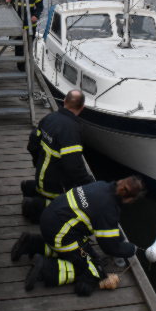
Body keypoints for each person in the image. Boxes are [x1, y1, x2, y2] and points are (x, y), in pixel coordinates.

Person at [11, 176, 146, 296]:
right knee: (95, 269)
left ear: (121, 181)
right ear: (129, 199)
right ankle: (45, 268)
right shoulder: (108, 209)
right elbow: (109, 247)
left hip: (48, 219)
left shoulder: (101, 185)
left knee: (79, 251)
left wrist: (120, 239)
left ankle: (31, 243)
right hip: (60, 235)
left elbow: (111, 226)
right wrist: (131, 249)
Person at [21, 89, 94, 223]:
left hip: (41, 176)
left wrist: (38, 162)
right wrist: (89, 183)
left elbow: (32, 143)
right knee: (72, 208)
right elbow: (74, 166)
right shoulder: (71, 130)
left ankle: (30, 188)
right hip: (56, 187)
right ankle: (33, 207)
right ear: (82, 108)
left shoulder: (49, 118)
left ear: (65, 101)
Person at [5, 0, 43, 71]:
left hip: (29, 25)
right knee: (19, 47)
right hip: (17, 24)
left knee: (29, 46)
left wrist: (36, 15)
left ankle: (28, 63)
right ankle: (21, 68)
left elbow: (40, 6)